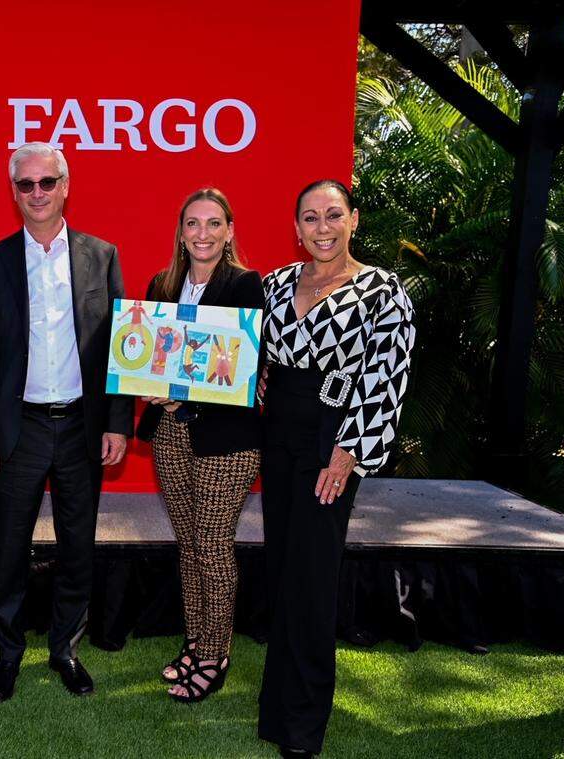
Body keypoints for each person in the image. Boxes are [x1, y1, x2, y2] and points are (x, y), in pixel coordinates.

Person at [0, 142, 133, 702]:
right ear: (13, 192)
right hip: (18, 428)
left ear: (66, 185)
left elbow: (120, 347)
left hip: (82, 428)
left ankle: (65, 648)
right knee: (8, 548)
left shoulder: (101, 255)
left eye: (47, 182)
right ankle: (7, 654)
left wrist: (117, 421)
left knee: (77, 547)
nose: (36, 193)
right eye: (25, 184)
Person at [257, 180, 415, 757]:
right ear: (295, 228)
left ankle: (303, 726)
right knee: (282, 569)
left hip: (332, 440)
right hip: (278, 438)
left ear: (354, 220)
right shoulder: (276, 283)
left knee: (313, 576)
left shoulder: (383, 291)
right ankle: (277, 711)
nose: (321, 228)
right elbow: (257, 357)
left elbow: (386, 380)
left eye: (332, 215)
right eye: (309, 218)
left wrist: (346, 454)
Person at [134, 188, 263, 703]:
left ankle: (215, 653)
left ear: (229, 230)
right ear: (181, 232)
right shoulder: (162, 284)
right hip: (169, 433)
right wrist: (149, 385)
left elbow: (244, 367)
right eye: (193, 224)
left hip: (226, 439)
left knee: (212, 544)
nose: (203, 234)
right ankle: (196, 640)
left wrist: (178, 389)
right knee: (189, 543)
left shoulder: (245, 286)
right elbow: (147, 357)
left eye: (214, 223)